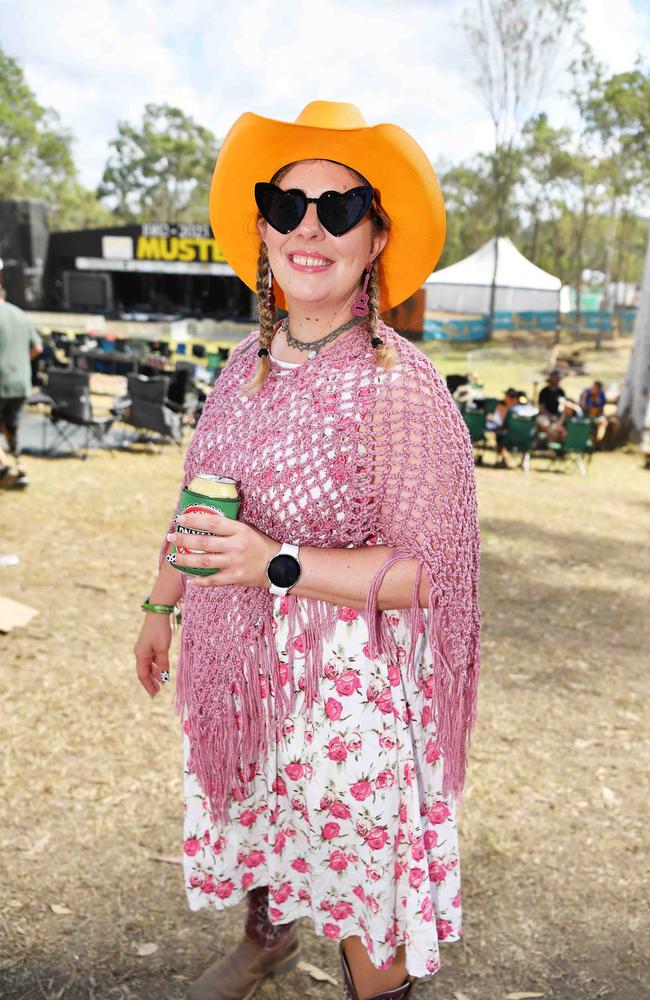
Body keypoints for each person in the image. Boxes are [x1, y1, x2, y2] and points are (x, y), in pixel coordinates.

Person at [133, 101, 480, 1000]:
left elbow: (432, 576)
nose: (310, 228)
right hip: (242, 664)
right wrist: (160, 605)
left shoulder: (399, 385)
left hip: (350, 694)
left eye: (341, 207)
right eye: (287, 207)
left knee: (368, 901)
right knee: (261, 820)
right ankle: (268, 941)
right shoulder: (241, 369)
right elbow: (200, 499)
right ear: (262, 231)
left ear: (376, 238)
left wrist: (274, 563)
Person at [0, 286, 42, 488]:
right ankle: (19, 466)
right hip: (21, 383)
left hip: (2, 382)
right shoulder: (20, 314)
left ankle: (4, 465)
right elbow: (38, 347)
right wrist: (21, 363)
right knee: (11, 427)